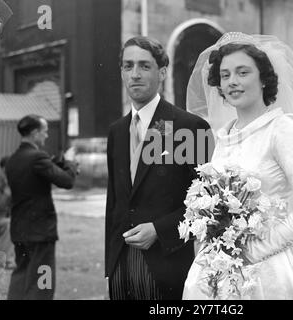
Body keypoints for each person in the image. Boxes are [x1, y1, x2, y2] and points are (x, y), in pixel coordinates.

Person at [183, 32, 293, 299]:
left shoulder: (282, 129)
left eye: (242, 72)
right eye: (225, 75)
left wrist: (256, 249)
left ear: (263, 79)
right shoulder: (223, 136)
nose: (232, 82)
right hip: (220, 266)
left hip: (273, 269)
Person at [105, 36, 213, 300]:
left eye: (144, 66)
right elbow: (115, 202)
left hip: (167, 266)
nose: (135, 74)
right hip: (121, 268)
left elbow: (207, 201)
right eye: (128, 66)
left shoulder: (190, 127)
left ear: (162, 72)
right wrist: (110, 269)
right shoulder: (117, 131)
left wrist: (159, 229)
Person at [5, 115, 77, 300]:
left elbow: (37, 177)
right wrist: (69, 161)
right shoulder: (37, 157)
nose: (46, 136)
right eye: (44, 132)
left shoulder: (13, 160)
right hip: (40, 231)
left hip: (19, 230)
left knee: (21, 276)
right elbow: (67, 181)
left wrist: (56, 163)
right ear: (35, 133)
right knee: (42, 280)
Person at [0, 156, 15, 269]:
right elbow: (0, 205)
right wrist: (8, 190)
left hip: (5, 218)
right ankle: (2, 259)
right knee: (10, 224)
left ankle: (8, 258)